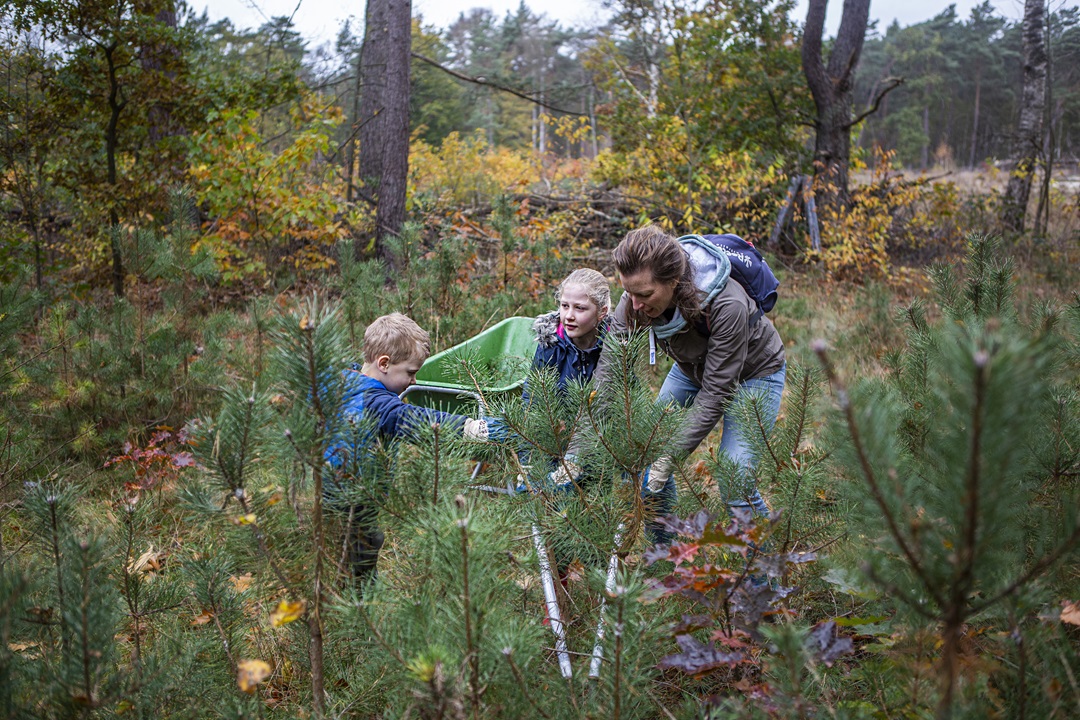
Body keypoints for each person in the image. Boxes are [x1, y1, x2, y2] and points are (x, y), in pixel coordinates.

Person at [555, 225, 786, 542]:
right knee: (648, 448)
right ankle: (663, 555)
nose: (634, 305)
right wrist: (575, 454)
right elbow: (608, 375)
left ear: (674, 281)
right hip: (692, 368)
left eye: (645, 295)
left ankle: (766, 573)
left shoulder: (726, 305)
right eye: (629, 293)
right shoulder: (636, 299)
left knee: (735, 481)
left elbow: (715, 394)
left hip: (755, 374)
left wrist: (670, 457)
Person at [324, 313, 500, 585]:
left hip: (331, 487)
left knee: (353, 547)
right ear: (384, 363)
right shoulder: (376, 402)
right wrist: (474, 429)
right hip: (351, 495)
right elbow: (410, 419)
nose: (414, 381)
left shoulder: (344, 381)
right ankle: (360, 604)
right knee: (360, 550)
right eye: (410, 372)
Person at [531, 268, 611, 394]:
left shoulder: (614, 346)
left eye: (579, 308)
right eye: (565, 306)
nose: (569, 316)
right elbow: (533, 395)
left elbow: (628, 399)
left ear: (602, 312)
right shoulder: (550, 344)